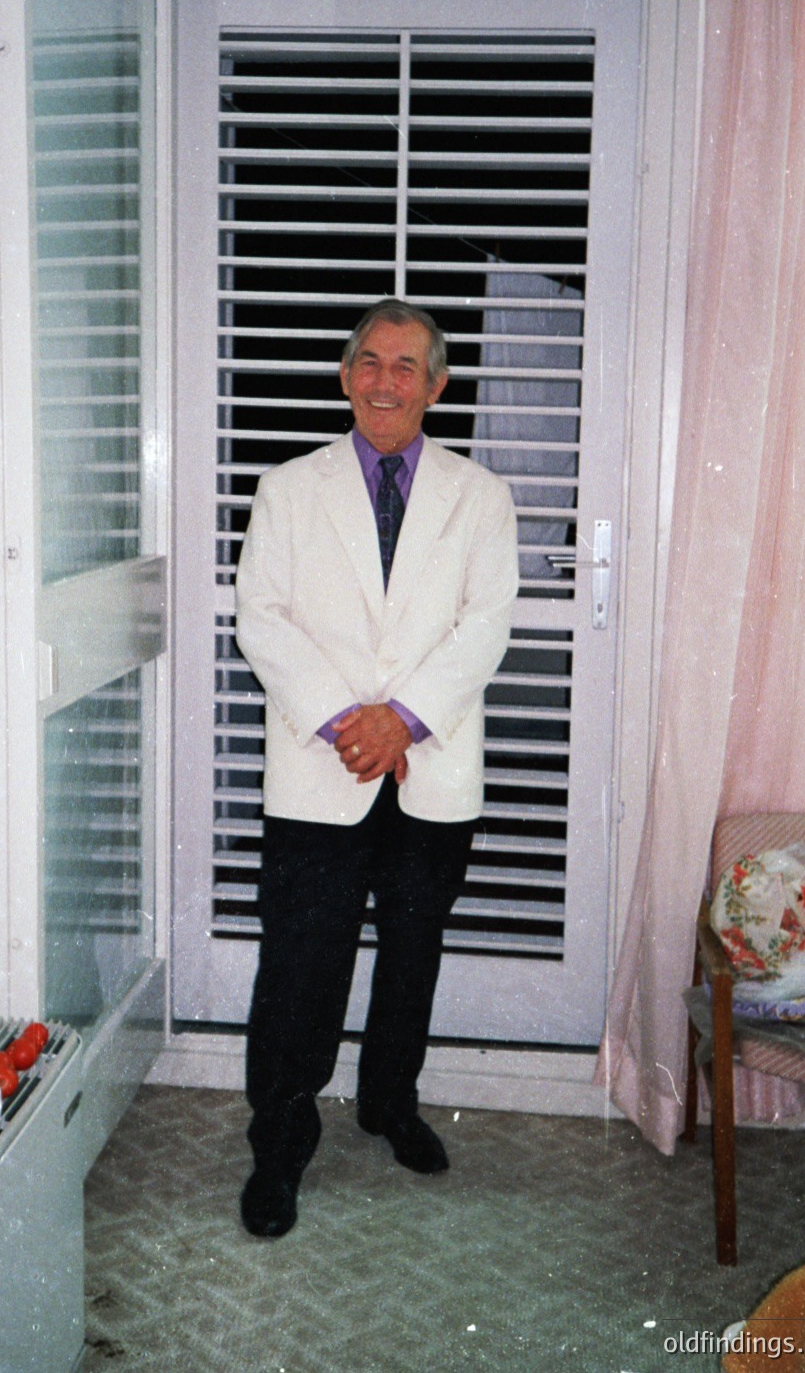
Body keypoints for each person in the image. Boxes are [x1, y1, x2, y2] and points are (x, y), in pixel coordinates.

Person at [234, 298, 518, 1238]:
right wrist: (345, 721)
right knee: (300, 962)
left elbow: (485, 625)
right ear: (345, 373)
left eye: (406, 366)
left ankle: (388, 1102)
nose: (384, 381)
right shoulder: (287, 488)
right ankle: (279, 1139)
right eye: (368, 361)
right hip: (322, 767)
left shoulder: (480, 496)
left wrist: (401, 719)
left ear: (436, 385)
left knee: (411, 953)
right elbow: (261, 618)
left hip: (428, 765)